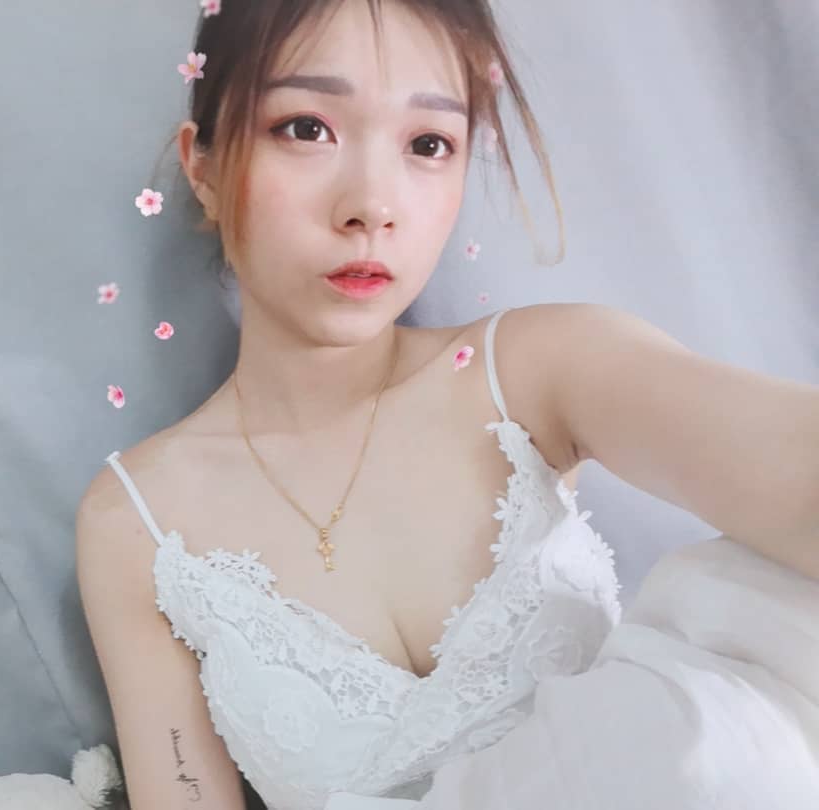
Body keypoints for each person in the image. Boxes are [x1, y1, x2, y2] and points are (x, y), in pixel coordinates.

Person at [75, 2, 819, 809]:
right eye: (306, 128)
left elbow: (789, 462)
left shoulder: (542, 369)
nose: (373, 205)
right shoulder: (135, 525)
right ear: (204, 166)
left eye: (428, 144)